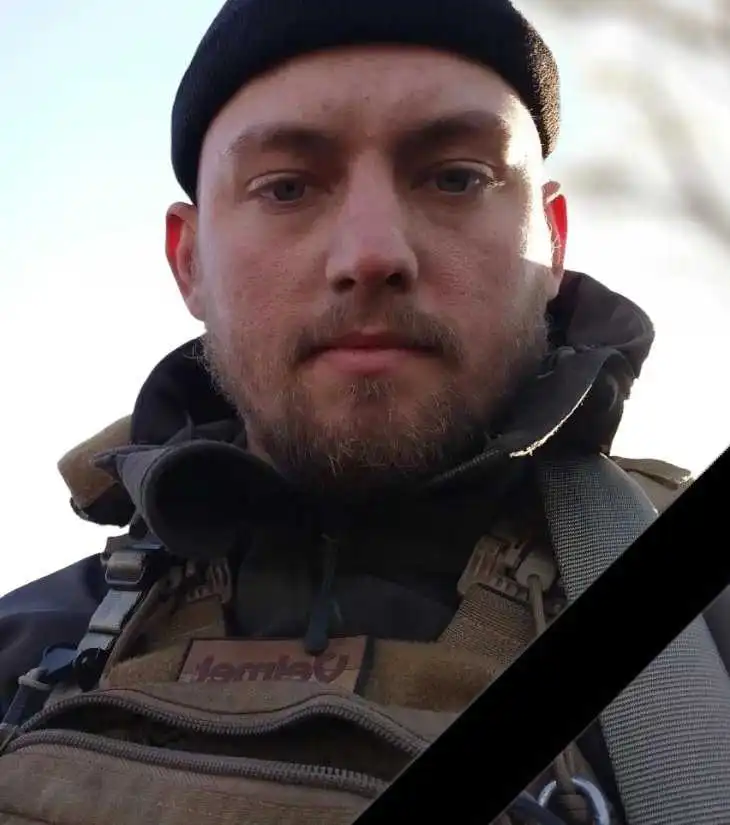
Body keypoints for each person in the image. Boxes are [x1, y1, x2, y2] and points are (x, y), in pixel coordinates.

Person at [0, 1, 718, 824]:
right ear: (189, 261)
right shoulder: (27, 641)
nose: (372, 252)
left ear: (552, 242)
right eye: (286, 187)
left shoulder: (710, 644)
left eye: (456, 177)